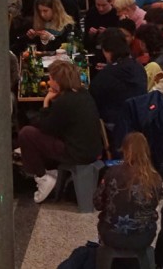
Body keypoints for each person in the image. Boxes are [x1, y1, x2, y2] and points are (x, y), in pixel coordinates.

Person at [15, 59, 102, 203]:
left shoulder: (65, 101)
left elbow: (46, 127)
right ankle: (49, 172)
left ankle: (42, 177)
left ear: (58, 81)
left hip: (76, 152)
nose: (49, 82)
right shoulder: (84, 94)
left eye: (50, 78)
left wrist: (46, 102)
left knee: (27, 134)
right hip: (90, 149)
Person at [93, 132, 162, 251]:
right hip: (143, 237)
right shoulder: (156, 178)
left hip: (112, 235)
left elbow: (97, 203)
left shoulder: (112, 172)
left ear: (124, 150)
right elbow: (153, 205)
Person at [88, 30, 147, 150]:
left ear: (107, 52)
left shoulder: (106, 75)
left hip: (117, 123)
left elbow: (93, 98)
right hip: (142, 119)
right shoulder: (138, 67)